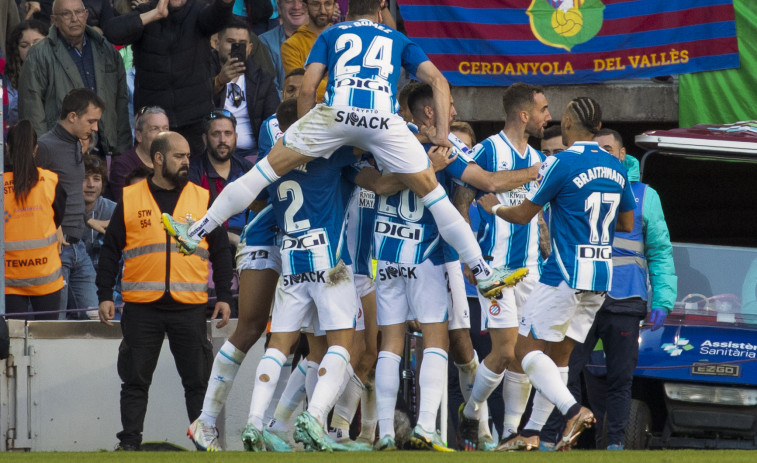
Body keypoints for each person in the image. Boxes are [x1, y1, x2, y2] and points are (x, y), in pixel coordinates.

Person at [162, 0, 525, 304]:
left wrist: (305, 138)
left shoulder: (332, 34)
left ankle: (197, 230)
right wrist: (442, 134)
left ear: (347, 8)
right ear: (382, 7)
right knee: (436, 198)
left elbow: (308, 85)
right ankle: (483, 271)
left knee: (261, 174)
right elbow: (438, 81)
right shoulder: (398, 38)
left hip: (335, 116)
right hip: (384, 122)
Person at [476, 97, 636, 451]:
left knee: (523, 351)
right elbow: (626, 223)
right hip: (599, 276)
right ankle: (532, 433)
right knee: (558, 359)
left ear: (567, 121)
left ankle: (573, 410)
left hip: (563, 273)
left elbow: (522, 215)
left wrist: (494, 206)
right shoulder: (616, 165)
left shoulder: (560, 163)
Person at [187, 72, 306, 453]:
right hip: (269, 235)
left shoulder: (326, 126)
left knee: (318, 339)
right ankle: (207, 421)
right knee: (252, 325)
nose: (294, 99)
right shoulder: (276, 128)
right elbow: (268, 188)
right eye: (289, 91)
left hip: (304, 240)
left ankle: (275, 425)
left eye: (301, 93)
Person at [539, 128, 677, 451]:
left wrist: (664, 300)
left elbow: (659, 251)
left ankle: (615, 445)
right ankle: (559, 438)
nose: (601, 153)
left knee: (620, 379)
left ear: (622, 153)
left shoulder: (645, 196)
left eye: (607, 148)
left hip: (625, 301)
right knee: (566, 369)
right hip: (582, 294)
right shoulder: (574, 185)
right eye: (597, 148)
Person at [238, 98, 362, 452]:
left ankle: (254, 422)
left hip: (292, 263)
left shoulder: (272, 163)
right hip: (329, 264)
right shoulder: (330, 154)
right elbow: (368, 152)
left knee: (279, 347)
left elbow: (254, 199)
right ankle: (314, 416)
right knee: (342, 344)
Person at [96, 131, 233, 452]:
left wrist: (225, 295)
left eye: (188, 156)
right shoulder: (131, 197)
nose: (187, 162)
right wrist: (104, 294)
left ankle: (205, 446)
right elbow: (110, 251)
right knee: (134, 381)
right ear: (158, 159)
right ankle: (128, 445)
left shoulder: (202, 198)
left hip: (189, 306)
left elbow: (222, 252)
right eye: (179, 156)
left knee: (198, 383)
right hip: (142, 307)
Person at [454, 83, 550, 452]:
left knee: (523, 352)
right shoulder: (489, 149)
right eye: (543, 109)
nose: (548, 117)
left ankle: (510, 432)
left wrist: (544, 247)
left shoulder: (534, 154)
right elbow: (462, 201)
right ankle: (473, 409)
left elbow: (535, 213)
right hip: (494, 268)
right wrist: (469, 257)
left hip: (530, 269)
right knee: (506, 348)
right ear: (524, 114)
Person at [103, 0, 234, 157]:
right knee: (154, 173)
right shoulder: (147, 11)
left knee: (190, 175)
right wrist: (155, 14)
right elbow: (112, 32)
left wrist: (225, 3)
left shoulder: (199, 10)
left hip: (194, 120)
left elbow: (218, 16)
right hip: (153, 121)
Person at [19, 0, 132, 157]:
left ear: (86, 15)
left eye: (79, 12)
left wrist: (123, 152)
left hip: (105, 149)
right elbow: (32, 111)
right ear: (54, 20)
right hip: (60, 153)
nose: (74, 19)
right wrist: (43, 153)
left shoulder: (106, 50)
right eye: (66, 14)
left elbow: (120, 103)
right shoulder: (39, 54)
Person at [36, 88, 103, 320]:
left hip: (79, 246)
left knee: (96, 317)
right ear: (72, 117)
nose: (95, 128)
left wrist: (87, 220)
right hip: (56, 250)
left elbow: (69, 193)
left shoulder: (76, 143)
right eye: (91, 121)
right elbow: (32, 196)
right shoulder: (45, 146)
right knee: (57, 324)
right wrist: (53, 225)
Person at [4, 120, 66, 321]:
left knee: (12, 343)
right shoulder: (50, 181)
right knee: (47, 342)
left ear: (7, 148)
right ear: (36, 149)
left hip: (9, 279)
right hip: (46, 276)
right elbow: (58, 218)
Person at [211, 19, 280, 161]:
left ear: (249, 48)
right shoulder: (203, 71)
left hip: (253, 153)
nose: (236, 47)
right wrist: (219, 81)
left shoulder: (262, 78)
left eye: (241, 44)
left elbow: (273, 120)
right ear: (217, 44)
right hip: (212, 152)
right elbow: (196, 106)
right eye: (230, 41)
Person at [189, 110, 253, 246]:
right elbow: (192, 220)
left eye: (228, 134)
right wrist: (230, 238)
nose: (222, 140)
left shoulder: (246, 169)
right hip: (208, 244)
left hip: (245, 242)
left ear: (236, 137)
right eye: (216, 134)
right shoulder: (193, 171)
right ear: (205, 138)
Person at [109, 107, 169, 202]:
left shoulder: (172, 161)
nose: (162, 134)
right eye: (155, 129)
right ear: (138, 135)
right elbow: (125, 204)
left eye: (166, 128)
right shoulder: (123, 165)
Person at [280, 0, 335, 102]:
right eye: (316, 4)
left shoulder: (343, 38)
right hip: (310, 111)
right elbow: (301, 87)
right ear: (305, 7)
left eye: (327, 4)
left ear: (334, 6)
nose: (322, 10)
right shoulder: (292, 45)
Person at [3, 20, 47, 129]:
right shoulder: (6, 81)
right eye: (24, 45)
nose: (31, 49)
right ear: (16, 49)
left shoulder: (61, 73)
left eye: (37, 43)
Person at [258, 0, 308, 93]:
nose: (296, 6)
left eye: (302, 1)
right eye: (289, 1)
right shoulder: (264, 42)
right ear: (279, 8)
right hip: (283, 106)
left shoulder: (328, 39)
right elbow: (270, 90)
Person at [82, 154, 116, 270]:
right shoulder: (65, 212)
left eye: (96, 179)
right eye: (84, 178)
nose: (90, 185)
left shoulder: (114, 210)